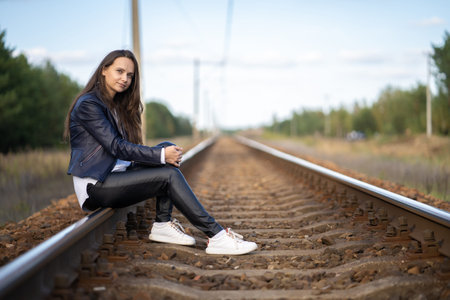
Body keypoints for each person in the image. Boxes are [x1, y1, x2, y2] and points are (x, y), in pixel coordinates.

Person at [64, 50, 257, 255]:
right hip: (96, 184)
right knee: (168, 173)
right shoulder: (89, 105)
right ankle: (216, 235)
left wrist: (162, 153)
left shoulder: (116, 106)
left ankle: (163, 225)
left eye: (130, 75)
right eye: (119, 71)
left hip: (115, 175)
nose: (125, 79)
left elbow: (124, 151)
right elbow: (116, 146)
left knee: (166, 146)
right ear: (104, 70)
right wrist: (161, 156)